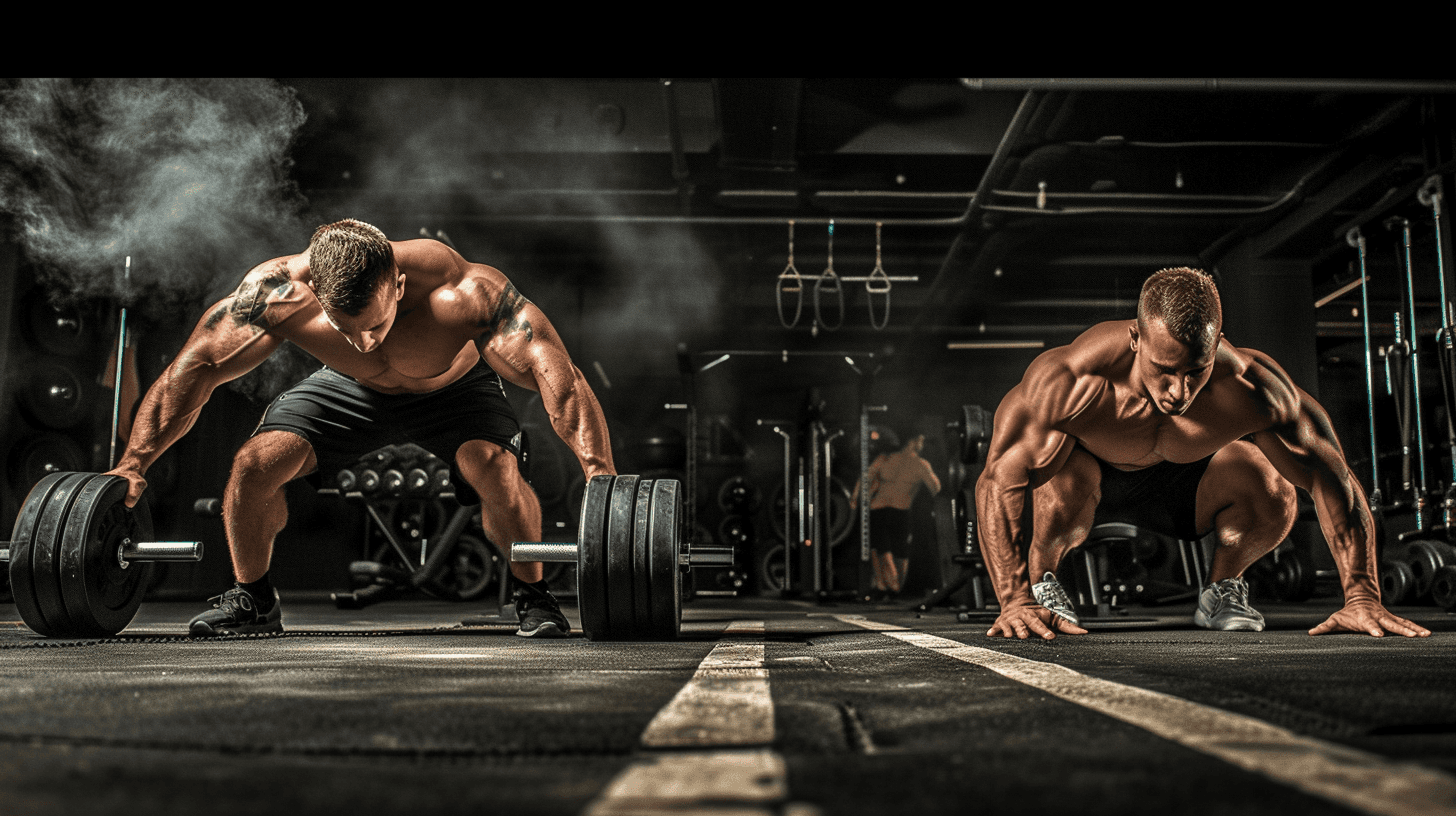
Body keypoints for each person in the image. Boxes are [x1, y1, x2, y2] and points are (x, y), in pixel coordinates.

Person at [105, 219, 615, 638]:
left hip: (455, 392)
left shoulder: (463, 292)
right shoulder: (278, 292)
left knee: (491, 468)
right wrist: (133, 464)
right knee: (255, 464)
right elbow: (193, 372)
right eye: (346, 329)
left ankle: (533, 595)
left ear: (396, 283)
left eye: (375, 325)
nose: (365, 342)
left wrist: (599, 476)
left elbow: (561, 381)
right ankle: (254, 599)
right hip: (347, 389)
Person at [976, 266, 1430, 640]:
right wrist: (1011, 597)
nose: (1178, 391)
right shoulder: (1072, 380)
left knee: (1268, 480)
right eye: (1163, 370)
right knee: (1064, 475)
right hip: (1090, 481)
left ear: (1215, 346)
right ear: (1136, 339)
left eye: (1196, 371)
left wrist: (1362, 596)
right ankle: (1040, 589)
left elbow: (1331, 478)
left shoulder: (1252, 387)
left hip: (1187, 483)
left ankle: (1221, 590)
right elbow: (999, 482)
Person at [852, 428, 942, 600]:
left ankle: (893, 587)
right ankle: (884, 587)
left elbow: (936, 488)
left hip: (900, 512)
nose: (922, 444)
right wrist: (855, 497)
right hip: (878, 509)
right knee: (880, 549)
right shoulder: (886, 458)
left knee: (900, 553)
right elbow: (866, 477)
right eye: (920, 440)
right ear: (912, 441)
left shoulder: (921, 464)